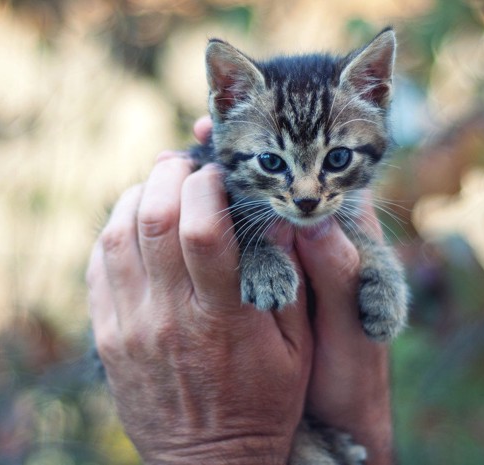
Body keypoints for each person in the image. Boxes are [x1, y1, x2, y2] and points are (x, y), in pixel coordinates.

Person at [86, 117, 394, 465]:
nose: (307, 194)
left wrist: (365, 423)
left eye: (335, 160)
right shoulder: (208, 188)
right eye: (274, 162)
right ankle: (301, 441)